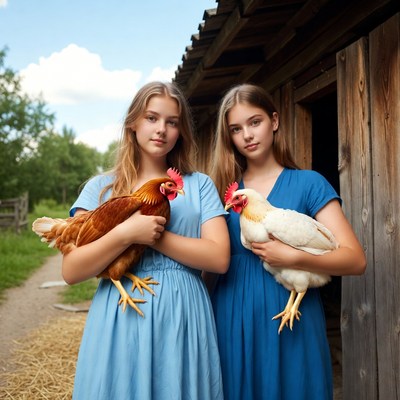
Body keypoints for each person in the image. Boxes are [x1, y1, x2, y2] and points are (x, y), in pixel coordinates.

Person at [62, 81, 230, 400]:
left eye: (172, 121)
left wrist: (155, 238)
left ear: (181, 130)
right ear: (133, 123)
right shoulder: (101, 189)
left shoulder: (199, 185)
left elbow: (219, 258)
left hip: (184, 314)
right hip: (120, 311)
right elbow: (72, 270)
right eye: (152, 118)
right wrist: (127, 233)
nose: (161, 129)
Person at [208, 83, 366, 400]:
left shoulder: (309, 183)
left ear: (275, 121)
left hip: (293, 313)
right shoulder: (226, 194)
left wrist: (293, 257)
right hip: (234, 314)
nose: (247, 135)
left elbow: (354, 260)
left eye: (255, 122)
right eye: (236, 129)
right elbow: (211, 264)